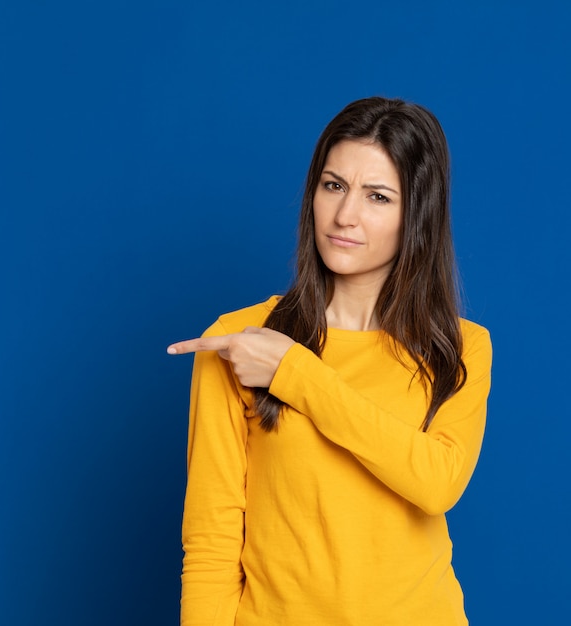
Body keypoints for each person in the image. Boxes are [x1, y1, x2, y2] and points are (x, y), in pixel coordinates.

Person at [167, 96, 492, 625]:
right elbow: (211, 542)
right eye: (333, 185)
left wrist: (295, 374)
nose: (345, 216)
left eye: (378, 197)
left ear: (419, 215)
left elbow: (437, 484)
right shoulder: (237, 341)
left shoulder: (458, 346)